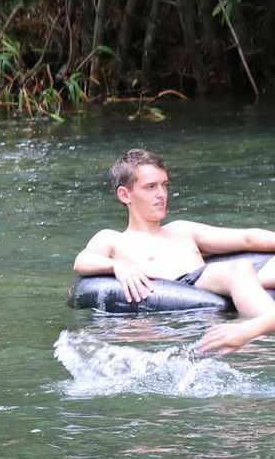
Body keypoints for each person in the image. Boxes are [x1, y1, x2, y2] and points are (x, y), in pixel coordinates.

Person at [73, 148, 275, 354]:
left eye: (164, 185)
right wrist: (117, 266)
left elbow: (248, 239)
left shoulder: (182, 229)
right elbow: (82, 261)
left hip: (211, 287)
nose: (161, 194)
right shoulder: (113, 238)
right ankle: (258, 329)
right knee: (238, 268)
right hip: (178, 295)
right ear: (125, 194)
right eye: (150, 187)